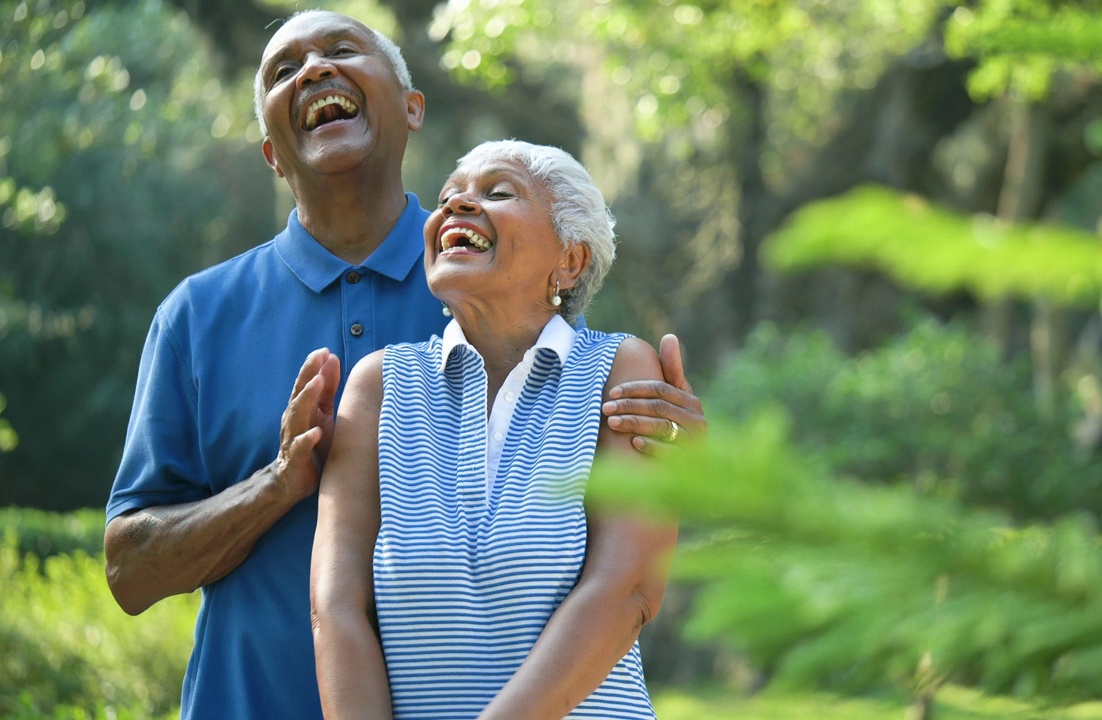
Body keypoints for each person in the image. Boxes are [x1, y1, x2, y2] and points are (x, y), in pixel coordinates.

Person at [103, 11, 704, 720]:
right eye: (283, 69)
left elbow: (612, 539)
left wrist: (683, 456)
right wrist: (275, 484)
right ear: (270, 150)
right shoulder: (197, 316)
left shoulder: (496, 288)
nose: (315, 70)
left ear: (412, 107)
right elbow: (129, 571)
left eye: (341, 50)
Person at [312, 139, 677, 720]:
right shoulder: (378, 386)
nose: (457, 206)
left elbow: (627, 590)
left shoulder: (620, 369)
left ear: (571, 259)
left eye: (497, 192)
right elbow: (335, 608)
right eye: (448, 196)